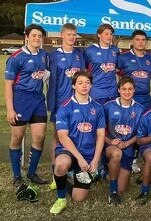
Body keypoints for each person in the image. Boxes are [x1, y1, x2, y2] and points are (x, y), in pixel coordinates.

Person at [50, 70, 106, 214]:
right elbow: (62, 137)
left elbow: (101, 135)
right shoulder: (65, 107)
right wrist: (79, 159)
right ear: (74, 86)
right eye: (80, 83)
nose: (84, 86)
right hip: (68, 150)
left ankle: (63, 180)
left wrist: (95, 160)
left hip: (87, 153)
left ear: (91, 85)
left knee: (78, 198)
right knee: (61, 165)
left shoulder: (97, 108)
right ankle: (61, 199)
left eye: (87, 83)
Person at [5, 24, 49, 190]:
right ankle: (17, 176)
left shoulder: (44, 55)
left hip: (38, 99)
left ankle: (32, 172)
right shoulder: (17, 57)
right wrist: (10, 109)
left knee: (40, 137)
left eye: (40, 36)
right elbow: (8, 85)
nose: (37, 38)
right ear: (27, 37)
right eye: (34, 35)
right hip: (21, 99)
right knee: (17, 138)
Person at [48, 23, 86, 189]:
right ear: (61, 35)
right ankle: (55, 171)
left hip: (78, 103)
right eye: (68, 34)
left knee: (76, 134)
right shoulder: (53, 55)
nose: (71, 37)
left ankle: (73, 167)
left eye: (74, 34)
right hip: (60, 103)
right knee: (57, 136)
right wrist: (53, 103)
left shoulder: (80, 55)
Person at [103, 77, 144, 204]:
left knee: (123, 188)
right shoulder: (108, 107)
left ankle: (104, 173)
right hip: (111, 147)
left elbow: (140, 134)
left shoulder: (140, 109)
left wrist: (127, 143)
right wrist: (110, 141)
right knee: (116, 154)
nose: (127, 92)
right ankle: (113, 192)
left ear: (134, 90)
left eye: (130, 89)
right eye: (124, 89)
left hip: (128, 147)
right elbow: (98, 132)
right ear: (119, 90)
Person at [117, 30, 151, 110]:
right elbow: (116, 74)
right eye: (137, 39)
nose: (140, 42)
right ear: (132, 41)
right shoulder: (123, 57)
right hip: (129, 98)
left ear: (146, 42)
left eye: (143, 40)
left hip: (146, 99)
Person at [83, 23, 119, 105]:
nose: (109, 36)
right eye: (106, 34)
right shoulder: (89, 50)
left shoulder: (115, 50)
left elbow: (117, 68)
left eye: (111, 34)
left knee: (111, 117)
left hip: (112, 92)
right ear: (99, 35)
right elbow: (85, 70)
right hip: (96, 92)